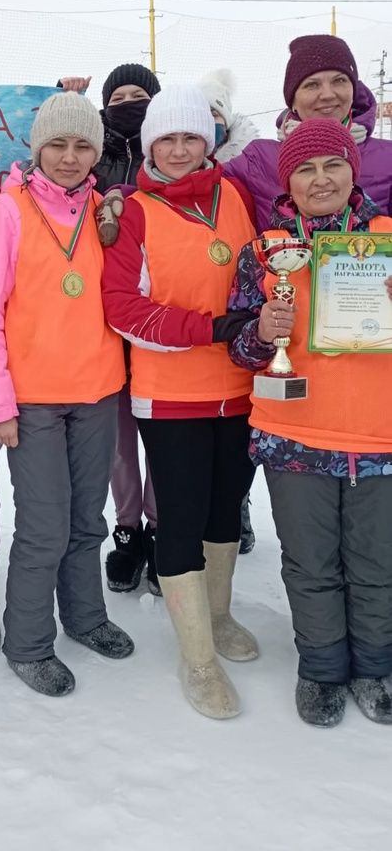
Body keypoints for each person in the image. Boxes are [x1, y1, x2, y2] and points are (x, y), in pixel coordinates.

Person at [0, 91, 132, 698]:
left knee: (88, 519)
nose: (68, 157)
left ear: (96, 151)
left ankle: (85, 618)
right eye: (57, 145)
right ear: (37, 150)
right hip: (32, 400)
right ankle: (29, 642)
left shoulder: (106, 212)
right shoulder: (6, 213)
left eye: (82, 144)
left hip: (95, 391)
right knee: (43, 526)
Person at [228, 119, 392, 728]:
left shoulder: (387, 240)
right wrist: (259, 332)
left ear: (353, 171)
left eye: (332, 165)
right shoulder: (265, 251)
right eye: (304, 168)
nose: (319, 179)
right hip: (296, 434)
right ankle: (321, 666)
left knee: (379, 562)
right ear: (287, 182)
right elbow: (239, 347)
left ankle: (375, 665)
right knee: (309, 562)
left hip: (381, 438)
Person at [102, 85, 258, 720]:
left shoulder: (236, 196)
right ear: (148, 145)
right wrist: (210, 328)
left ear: (209, 141)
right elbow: (122, 308)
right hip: (171, 397)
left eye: (190, 137)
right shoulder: (135, 211)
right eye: (165, 139)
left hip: (243, 389)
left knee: (227, 511)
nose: (178, 149)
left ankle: (217, 618)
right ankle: (197, 658)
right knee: (182, 517)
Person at [60, 65, 163, 597]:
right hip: (102, 321)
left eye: (139, 95)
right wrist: (62, 103)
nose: (127, 102)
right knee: (121, 442)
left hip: (159, 316)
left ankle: (160, 524)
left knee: (164, 437)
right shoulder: (91, 156)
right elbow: (56, 162)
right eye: (117, 96)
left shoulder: (165, 154)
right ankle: (127, 528)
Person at [224, 34, 392, 230]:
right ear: (292, 101)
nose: (328, 94)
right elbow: (197, 179)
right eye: (312, 85)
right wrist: (216, 132)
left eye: (339, 81)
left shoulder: (387, 158)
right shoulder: (258, 159)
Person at [198, 68, 263, 554]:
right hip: (201, 314)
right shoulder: (172, 159)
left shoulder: (250, 163)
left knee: (245, 418)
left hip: (256, 298)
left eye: (214, 115)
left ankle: (234, 503)